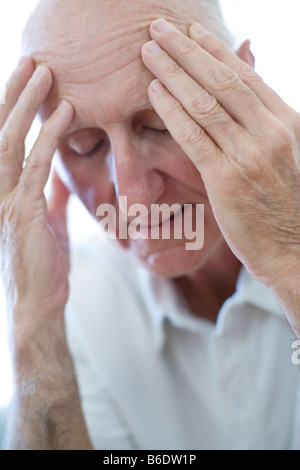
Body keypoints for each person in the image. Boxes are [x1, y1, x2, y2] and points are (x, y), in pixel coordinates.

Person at [1, 0, 300, 450]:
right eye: (84, 148)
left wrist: (289, 256)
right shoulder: (75, 302)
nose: (133, 198)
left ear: (244, 89)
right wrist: (34, 326)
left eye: (161, 125)